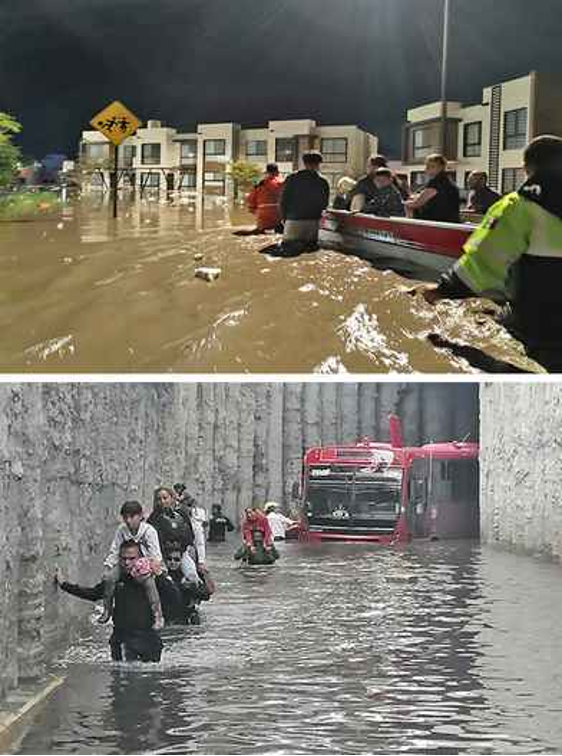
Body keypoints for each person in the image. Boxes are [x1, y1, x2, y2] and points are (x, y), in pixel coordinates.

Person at [417, 135, 562, 373]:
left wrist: (441, 291)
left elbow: (484, 261)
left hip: (541, 322)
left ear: (528, 169)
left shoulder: (521, 205)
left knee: (496, 350)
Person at [56, 541, 164, 662]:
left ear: (140, 558)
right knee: (124, 676)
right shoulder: (114, 580)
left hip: (149, 640)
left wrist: (159, 574)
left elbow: (172, 597)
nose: (127, 563)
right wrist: (64, 585)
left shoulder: (149, 578)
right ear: (119, 558)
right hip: (123, 640)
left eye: (132, 558)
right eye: (124, 559)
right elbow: (93, 594)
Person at [100, 501, 164, 630]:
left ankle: (158, 615)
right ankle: (107, 609)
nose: (128, 521)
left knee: (149, 584)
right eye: (125, 517)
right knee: (109, 579)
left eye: (132, 517)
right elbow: (115, 550)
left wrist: (151, 567)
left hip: (143, 564)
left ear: (140, 516)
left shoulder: (149, 531)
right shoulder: (121, 530)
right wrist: (108, 566)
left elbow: (155, 554)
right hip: (124, 563)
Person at [148, 487, 204, 585]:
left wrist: (181, 549)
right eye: (159, 499)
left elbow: (191, 536)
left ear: (172, 498)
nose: (162, 501)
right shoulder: (153, 518)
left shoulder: (182, 515)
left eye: (165, 498)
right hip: (161, 556)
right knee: (161, 579)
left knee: (192, 577)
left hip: (181, 554)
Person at [279, 151, 330, 253]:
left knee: (288, 250)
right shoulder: (323, 181)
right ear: (319, 164)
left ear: (304, 163)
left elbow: (283, 200)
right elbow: (324, 204)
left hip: (293, 221)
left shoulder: (292, 178)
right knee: (310, 250)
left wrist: (283, 218)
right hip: (312, 222)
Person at [161, 544, 212, 625]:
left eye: (176, 559)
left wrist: (192, 587)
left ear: (181, 560)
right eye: (169, 559)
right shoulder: (161, 577)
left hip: (186, 617)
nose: (172, 562)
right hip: (169, 616)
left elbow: (206, 595)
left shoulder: (188, 575)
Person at [405, 154, 461, 223]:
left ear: (440, 168)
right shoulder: (447, 181)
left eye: (430, 166)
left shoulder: (437, 182)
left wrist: (405, 204)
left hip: (437, 223)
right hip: (449, 222)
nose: (426, 169)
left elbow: (417, 203)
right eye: (427, 166)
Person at [246, 163, 284, 233]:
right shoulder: (282, 183)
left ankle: (260, 228)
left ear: (267, 172)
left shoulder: (259, 184)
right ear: (277, 172)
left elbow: (250, 200)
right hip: (278, 214)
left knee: (260, 230)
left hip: (262, 214)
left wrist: (254, 211)